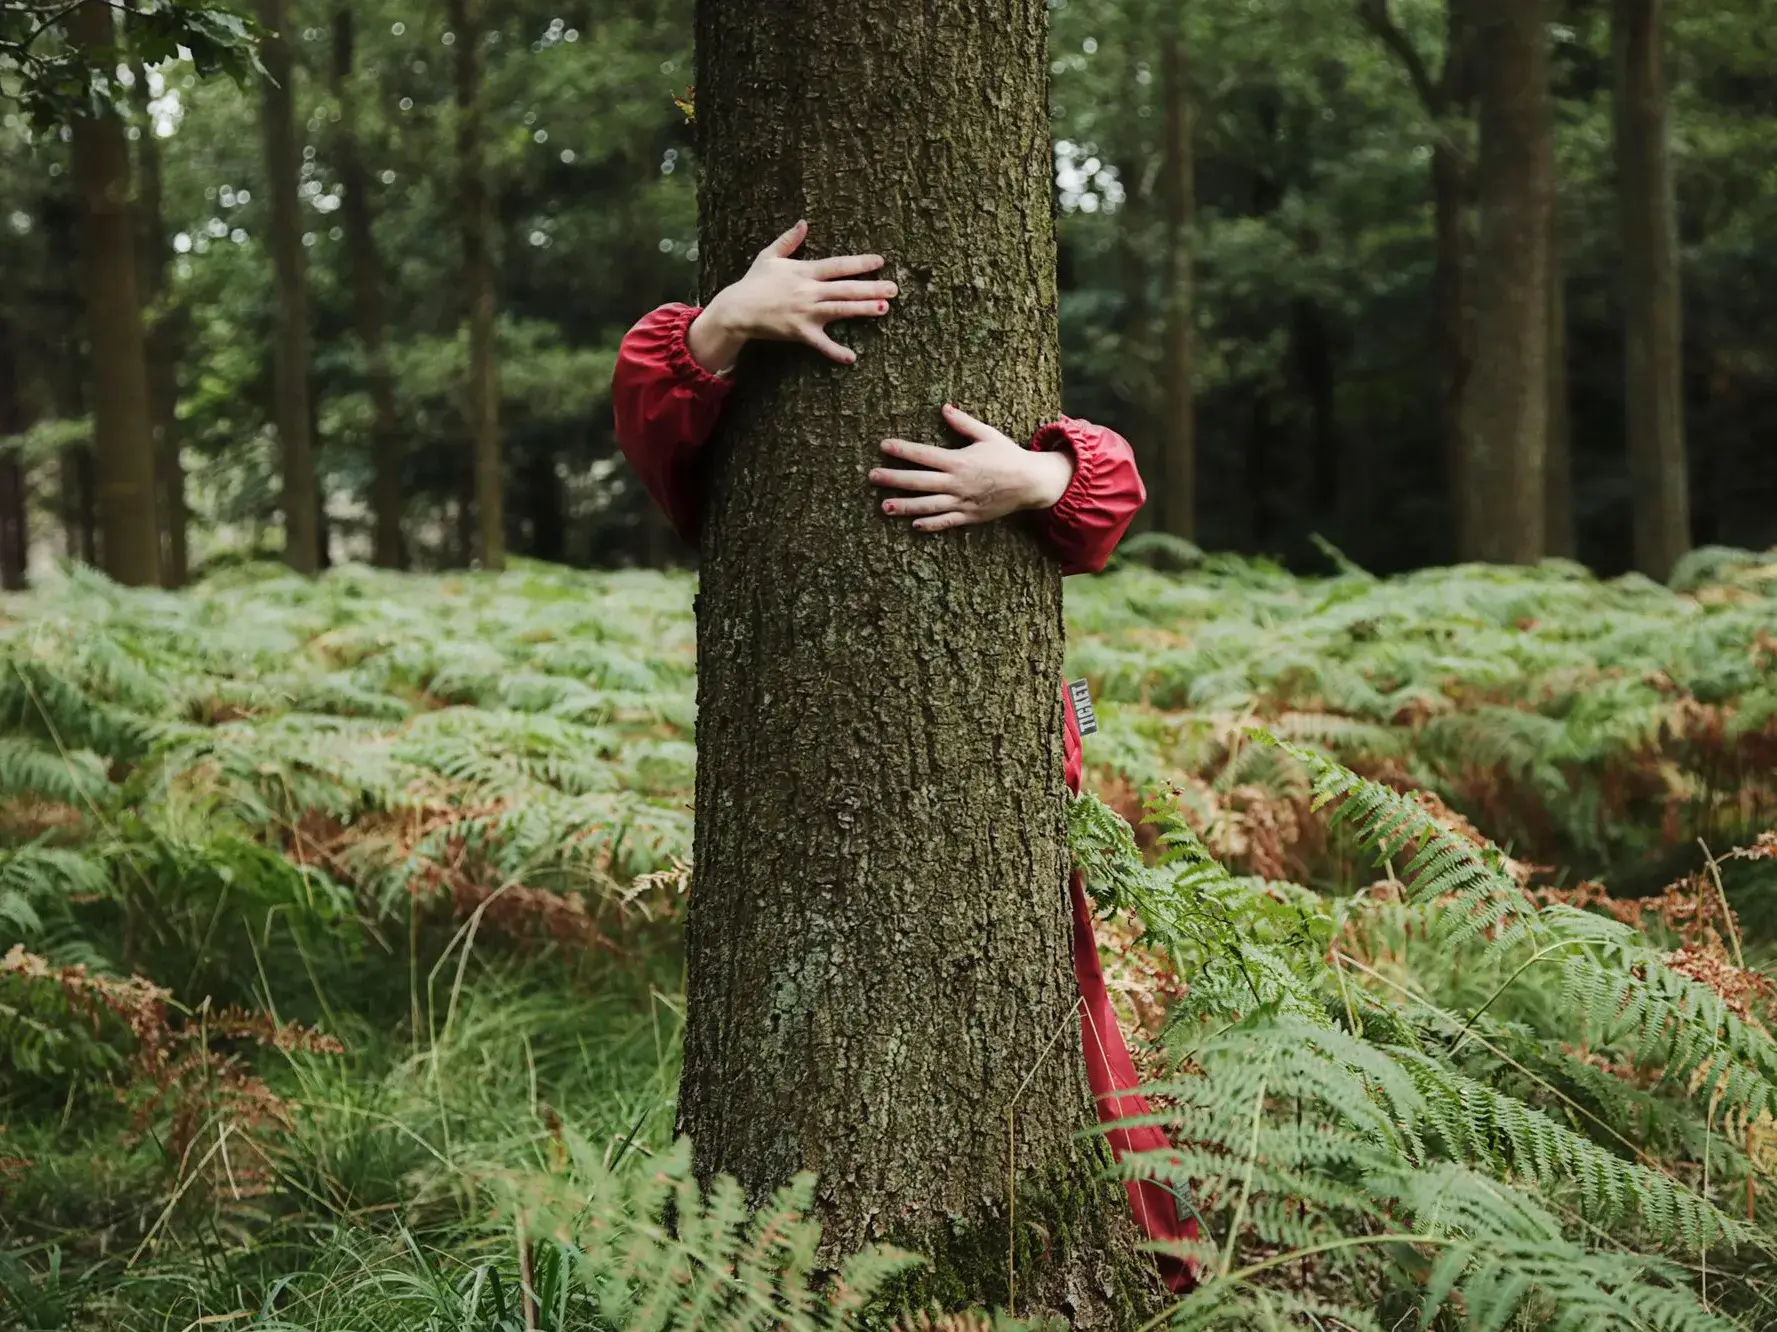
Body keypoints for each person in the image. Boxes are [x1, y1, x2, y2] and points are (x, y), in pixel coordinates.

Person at [612, 220, 1199, 1293]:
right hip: (809, 802)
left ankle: (1149, 1266)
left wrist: (1036, 478)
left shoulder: (1032, 446)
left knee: (1081, 1040)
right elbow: (655, 431)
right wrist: (724, 325)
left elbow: (1108, 501)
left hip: (1014, 797)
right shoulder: (718, 408)